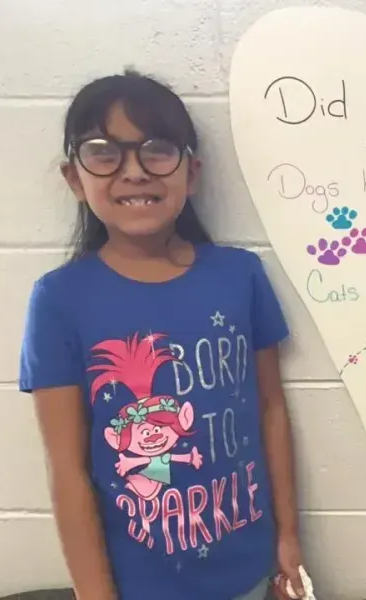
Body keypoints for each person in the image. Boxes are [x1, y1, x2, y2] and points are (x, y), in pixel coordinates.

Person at [19, 69, 306, 600]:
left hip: (253, 573)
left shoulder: (240, 275)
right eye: (104, 152)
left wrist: (288, 539)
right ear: (74, 178)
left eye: (157, 150)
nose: (134, 172)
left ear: (191, 172)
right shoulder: (59, 299)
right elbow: (68, 471)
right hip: (137, 588)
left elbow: (271, 411)